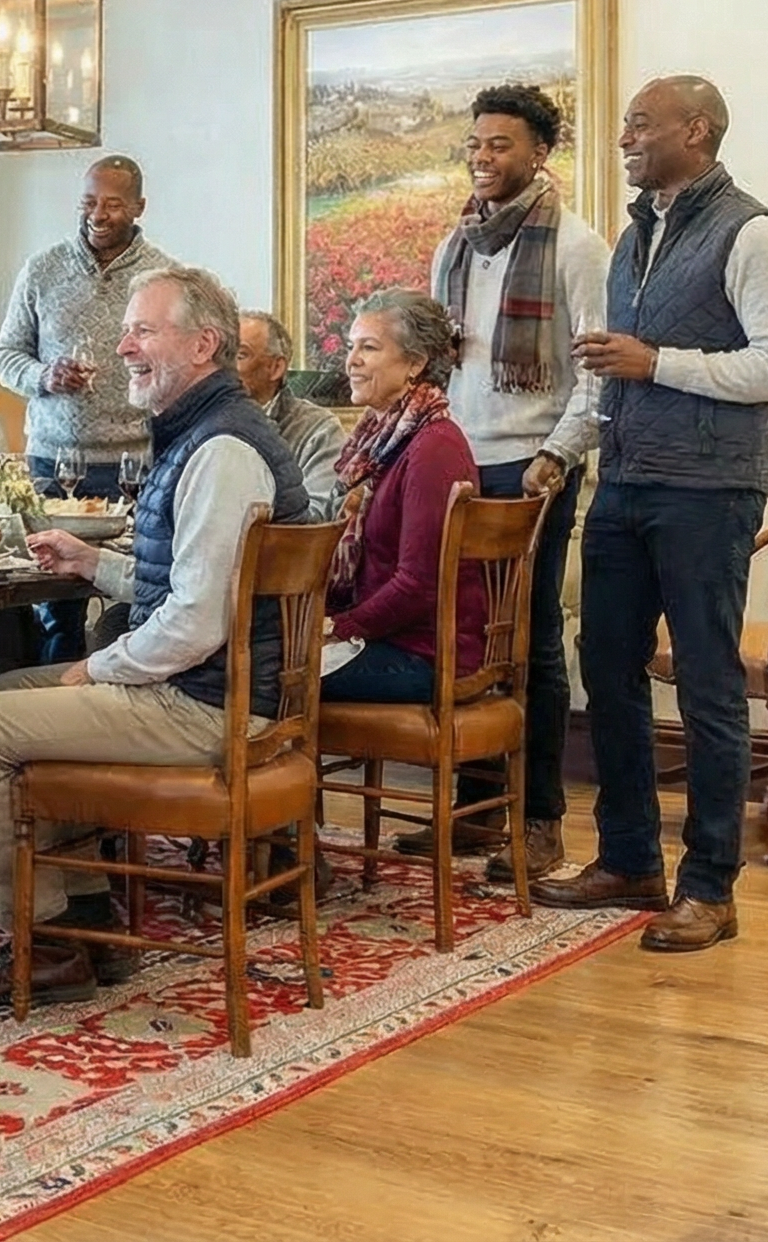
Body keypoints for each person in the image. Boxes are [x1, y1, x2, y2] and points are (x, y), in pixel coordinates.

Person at [0, 264, 309, 1006]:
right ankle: (83, 915)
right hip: (221, 690)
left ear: (203, 345)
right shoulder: (214, 431)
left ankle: (42, 942)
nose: (123, 348)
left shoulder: (222, 451)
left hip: (207, 704)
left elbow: (196, 624)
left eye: (143, 331)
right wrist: (95, 564)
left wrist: (100, 667)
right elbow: (194, 582)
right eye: (125, 332)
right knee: (12, 687)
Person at [539, 75, 768, 953]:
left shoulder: (754, 233)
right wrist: (563, 450)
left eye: (640, 124)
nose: (624, 137)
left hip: (708, 492)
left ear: (696, 131)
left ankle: (709, 888)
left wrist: (657, 362)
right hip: (623, 483)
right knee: (606, 668)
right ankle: (627, 861)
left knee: (706, 684)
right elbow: (610, 369)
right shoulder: (632, 239)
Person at [410, 83, 610, 882]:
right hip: (458, 462)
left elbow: (598, 375)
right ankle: (475, 811)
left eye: (500, 145)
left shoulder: (577, 247)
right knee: (463, 638)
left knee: (529, 643)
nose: (483, 158)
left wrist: (557, 457)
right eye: (475, 145)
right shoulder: (455, 245)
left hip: (533, 468)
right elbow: (436, 364)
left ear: (540, 153)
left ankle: (539, 821)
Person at [0, 155, 177, 660]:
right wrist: (42, 377)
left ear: (139, 207)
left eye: (112, 204)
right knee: (55, 606)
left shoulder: (164, 278)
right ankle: (51, 693)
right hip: (52, 465)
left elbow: (178, 365)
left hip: (136, 467)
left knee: (139, 594)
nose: (98, 214)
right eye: (89, 202)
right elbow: (5, 355)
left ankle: (114, 687)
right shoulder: (43, 268)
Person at [319, 291, 485, 705]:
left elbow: (417, 585)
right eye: (351, 346)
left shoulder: (434, 447)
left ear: (415, 363)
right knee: (258, 653)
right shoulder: (378, 440)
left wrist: (338, 627)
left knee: (261, 672)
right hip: (388, 641)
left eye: (369, 348)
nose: (352, 360)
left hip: (424, 655)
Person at [235, 309, 346, 519]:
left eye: (240, 355)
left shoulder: (319, 430)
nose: (225, 368)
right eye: (222, 355)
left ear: (276, 368)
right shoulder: (203, 422)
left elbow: (317, 519)